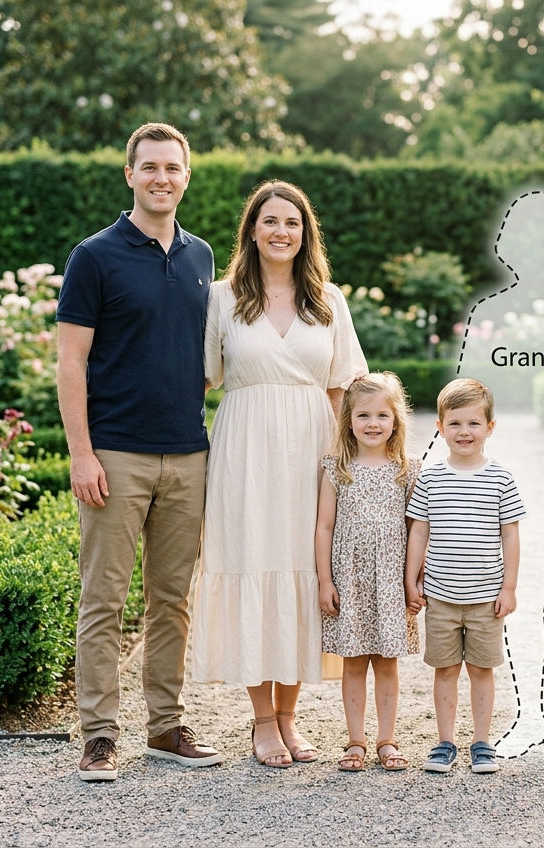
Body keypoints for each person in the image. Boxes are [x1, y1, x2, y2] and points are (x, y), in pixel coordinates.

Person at [57, 122, 223, 782]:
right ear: (130, 175)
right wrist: (81, 453)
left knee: (172, 600)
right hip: (116, 454)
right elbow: (71, 362)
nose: (161, 177)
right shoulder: (94, 256)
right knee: (102, 599)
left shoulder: (202, 256)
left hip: (188, 454)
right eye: (149, 166)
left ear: (186, 176)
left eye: (172, 168)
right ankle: (99, 736)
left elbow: (208, 352)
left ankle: (166, 725)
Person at [191, 180, 367, 768]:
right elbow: (202, 378)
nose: (280, 232)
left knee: (304, 570)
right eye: (269, 221)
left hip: (312, 450)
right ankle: (262, 721)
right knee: (252, 564)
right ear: (252, 230)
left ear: (304, 232)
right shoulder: (222, 299)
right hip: (244, 451)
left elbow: (344, 388)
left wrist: (349, 469)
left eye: (291, 222)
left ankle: (290, 717)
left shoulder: (329, 301)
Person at [404, 378, 526, 775]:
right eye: (454, 424)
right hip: (440, 595)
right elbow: (419, 530)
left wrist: (509, 588)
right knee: (445, 670)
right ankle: (445, 742)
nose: (464, 432)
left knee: (481, 670)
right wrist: (412, 579)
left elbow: (510, 534)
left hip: (486, 598)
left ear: (489, 428)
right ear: (440, 427)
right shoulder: (430, 477)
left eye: (474, 424)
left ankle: (482, 741)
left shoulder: (500, 479)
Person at [315, 372, 421, 772]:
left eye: (381, 415)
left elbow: (417, 530)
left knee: (387, 663)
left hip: (392, 582)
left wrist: (414, 580)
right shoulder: (336, 468)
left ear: (396, 420)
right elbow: (324, 526)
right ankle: (356, 740)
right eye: (363, 415)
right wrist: (326, 580)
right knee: (354, 662)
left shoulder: (407, 470)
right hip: (350, 580)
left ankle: (386, 740)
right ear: (348, 420)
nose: (372, 424)